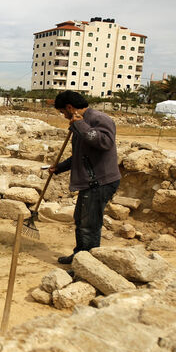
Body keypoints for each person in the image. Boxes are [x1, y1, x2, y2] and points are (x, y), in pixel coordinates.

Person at [48, 90, 121, 264]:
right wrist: (59, 167)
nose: (63, 116)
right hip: (90, 182)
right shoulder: (80, 122)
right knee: (81, 220)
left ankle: (88, 265)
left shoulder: (98, 119)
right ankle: (80, 257)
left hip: (101, 182)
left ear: (69, 107)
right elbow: (80, 155)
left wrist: (80, 126)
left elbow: (105, 142)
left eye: (62, 112)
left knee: (90, 226)